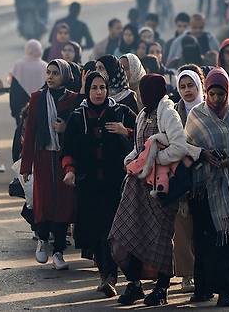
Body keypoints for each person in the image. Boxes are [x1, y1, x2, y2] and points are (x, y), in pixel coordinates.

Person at [108, 74, 188, 306]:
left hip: (160, 188)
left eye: (145, 92)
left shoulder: (168, 113)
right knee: (121, 236)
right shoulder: (143, 114)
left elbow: (179, 147)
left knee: (160, 239)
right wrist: (131, 160)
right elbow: (139, 147)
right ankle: (134, 285)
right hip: (137, 188)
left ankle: (162, 289)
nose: (142, 96)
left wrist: (153, 160)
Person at [61, 71, 136, 298]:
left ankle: (111, 277)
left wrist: (126, 132)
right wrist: (70, 171)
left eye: (102, 87)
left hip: (117, 185)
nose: (98, 92)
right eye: (94, 88)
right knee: (96, 231)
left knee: (112, 231)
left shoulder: (121, 112)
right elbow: (68, 150)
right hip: (89, 185)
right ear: (87, 90)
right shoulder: (77, 117)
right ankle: (107, 275)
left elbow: (144, 136)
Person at [185, 67, 229, 307]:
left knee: (227, 240)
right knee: (203, 241)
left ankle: (226, 291)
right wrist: (203, 154)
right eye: (211, 94)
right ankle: (202, 288)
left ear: (227, 93)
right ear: (206, 92)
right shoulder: (196, 116)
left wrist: (227, 161)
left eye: (220, 95)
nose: (215, 99)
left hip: (226, 188)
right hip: (201, 189)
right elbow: (186, 147)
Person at [20, 59, 80, 271]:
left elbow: (77, 128)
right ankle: (42, 240)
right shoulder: (37, 98)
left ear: (64, 75)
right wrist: (26, 166)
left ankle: (59, 252)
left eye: (55, 73)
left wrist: (65, 129)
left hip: (65, 158)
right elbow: (30, 134)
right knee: (43, 200)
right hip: (43, 157)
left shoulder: (73, 99)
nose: (51, 77)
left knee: (64, 203)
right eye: (49, 72)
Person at [173, 65, 205, 293]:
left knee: (202, 229)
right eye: (182, 87)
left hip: (206, 178)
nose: (187, 91)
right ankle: (186, 275)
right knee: (182, 229)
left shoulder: (208, 110)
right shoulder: (174, 112)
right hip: (181, 178)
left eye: (190, 86)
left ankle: (204, 271)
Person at [10, 39, 47, 126]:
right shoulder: (45, 66)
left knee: (22, 131)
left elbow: (14, 90)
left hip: (21, 104)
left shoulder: (18, 65)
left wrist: (14, 110)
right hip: (39, 104)